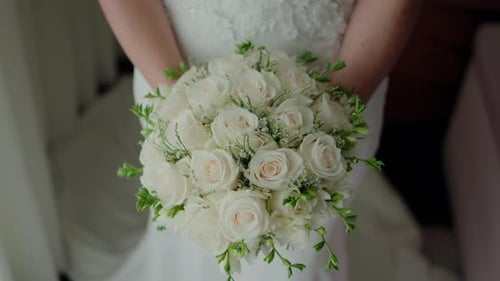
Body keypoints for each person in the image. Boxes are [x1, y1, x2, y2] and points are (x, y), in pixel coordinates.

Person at [97, 1, 422, 280]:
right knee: (187, 225)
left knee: (303, 250)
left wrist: (334, 112)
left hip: (343, 74)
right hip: (172, 64)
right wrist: (182, 101)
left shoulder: (337, 106)